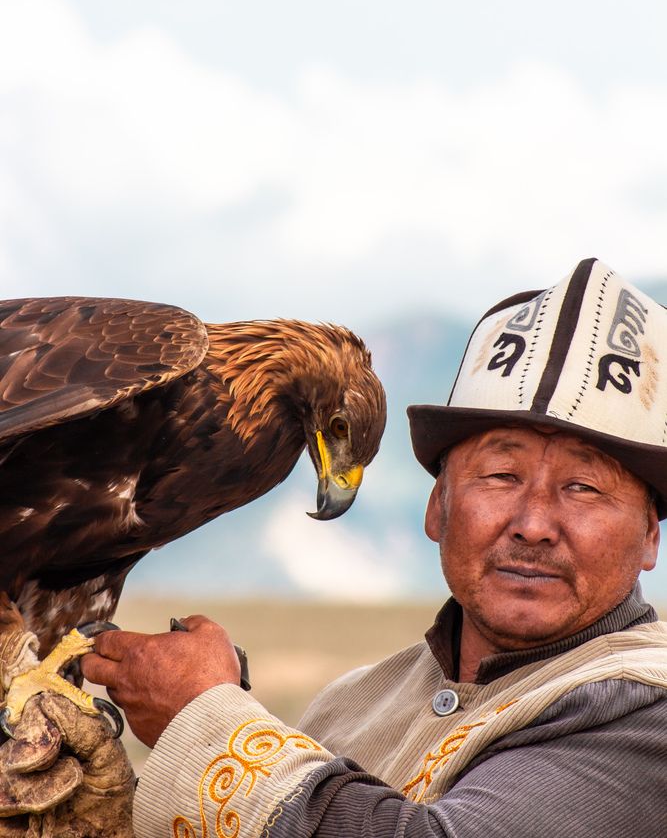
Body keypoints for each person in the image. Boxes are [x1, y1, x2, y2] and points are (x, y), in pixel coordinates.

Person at [82, 257, 667, 837]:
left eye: (583, 488)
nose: (534, 523)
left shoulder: (648, 711)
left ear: (650, 534)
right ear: (437, 506)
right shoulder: (353, 703)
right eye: (501, 476)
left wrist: (205, 718)